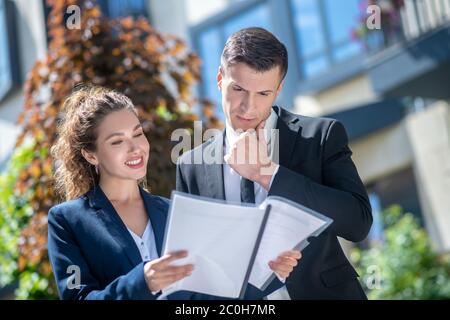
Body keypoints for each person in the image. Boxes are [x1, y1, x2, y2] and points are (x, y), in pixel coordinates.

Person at [176, 27, 373, 299]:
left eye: (263, 94)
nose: (248, 107)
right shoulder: (191, 166)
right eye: (238, 89)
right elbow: (194, 267)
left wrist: (267, 173)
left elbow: (358, 223)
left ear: (278, 90)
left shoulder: (319, 137)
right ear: (220, 79)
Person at [47, 86, 194, 300]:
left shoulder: (174, 211)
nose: (135, 148)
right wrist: (142, 282)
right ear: (90, 155)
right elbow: (77, 297)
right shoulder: (67, 221)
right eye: (117, 141)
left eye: (138, 133)